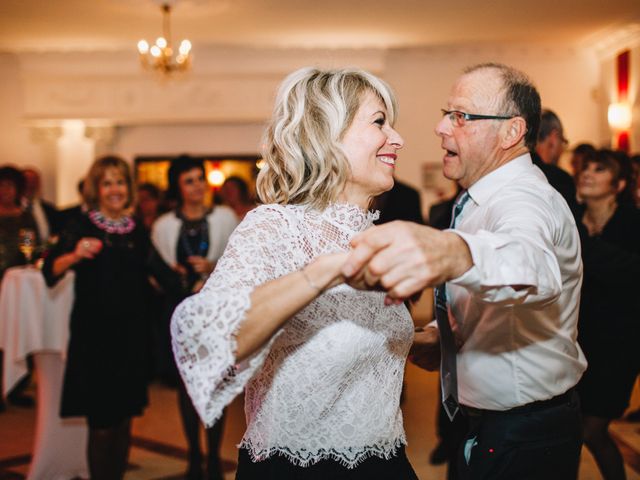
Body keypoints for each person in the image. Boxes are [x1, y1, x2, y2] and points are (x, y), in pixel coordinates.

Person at [171, 67, 418, 479]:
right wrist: (320, 273)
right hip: (297, 468)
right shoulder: (274, 227)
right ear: (328, 134)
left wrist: (429, 342)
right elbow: (209, 339)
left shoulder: (373, 234)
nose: (397, 138)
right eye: (379, 122)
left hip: (387, 463)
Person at [343, 63, 586, 480]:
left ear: (511, 132)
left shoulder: (525, 200)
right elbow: (503, 305)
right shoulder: (478, 199)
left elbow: (533, 266)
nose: (440, 127)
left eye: (461, 116)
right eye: (446, 113)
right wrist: (449, 338)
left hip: (525, 433)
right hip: (490, 423)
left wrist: (449, 250)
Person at [43, 155, 155, 480]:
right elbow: (50, 270)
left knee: (123, 424)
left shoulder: (137, 230)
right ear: (97, 189)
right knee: (102, 426)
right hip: (95, 342)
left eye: (120, 181)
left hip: (131, 339)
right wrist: (74, 254)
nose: (115, 189)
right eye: (107, 183)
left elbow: (159, 272)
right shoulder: (81, 226)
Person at [151, 155, 238, 480]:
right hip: (179, 313)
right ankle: (193, 456)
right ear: (177, 187)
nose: (198, 185)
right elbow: (156, 272)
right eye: (189, 180)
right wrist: (171, 274)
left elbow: (239, 263)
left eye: (200, 178)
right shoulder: (163, 225)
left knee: (215, 385)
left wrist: (213, 266)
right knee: (186, 388)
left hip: (214, 313)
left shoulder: (226, 217)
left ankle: (214, 458)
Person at [575, 149, 640, 480]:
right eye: (586, 167)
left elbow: (629, 273)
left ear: (619, 184)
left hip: (619, 346)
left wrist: (582, 246)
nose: (587, 173)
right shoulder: (572, 218)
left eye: (599, 169)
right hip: (576, 344)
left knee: (592, 429)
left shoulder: (632, 223)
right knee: (573, 432)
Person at [0, 165, 40, 410]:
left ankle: (16, 387)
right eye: (1, 185)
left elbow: (31, 244)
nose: (4, 191)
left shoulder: (25, 216)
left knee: (17, 331)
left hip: (15, 282)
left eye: (9, 186)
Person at [532, 109, 578, 213]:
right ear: (554, 137)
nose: (562, 150)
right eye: (563, 141)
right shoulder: (561, 180)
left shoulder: (515, 167)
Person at [22, 166, 60, 240]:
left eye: (34, 181)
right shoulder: (13, 210)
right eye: (27, 181)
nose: (30, 185)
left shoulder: (49, 209)